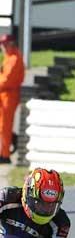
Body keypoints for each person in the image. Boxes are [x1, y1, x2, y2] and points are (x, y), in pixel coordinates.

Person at [0, 34, 25, 164]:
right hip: (4, 93)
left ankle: (5, 155)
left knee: (5, 125)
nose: (2, 47)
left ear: (11, 44)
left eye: (5, 44)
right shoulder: (9, 57)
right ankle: (10, 142)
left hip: (9, 94)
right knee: (2, 125)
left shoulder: (14, 58)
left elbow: (7, 80)